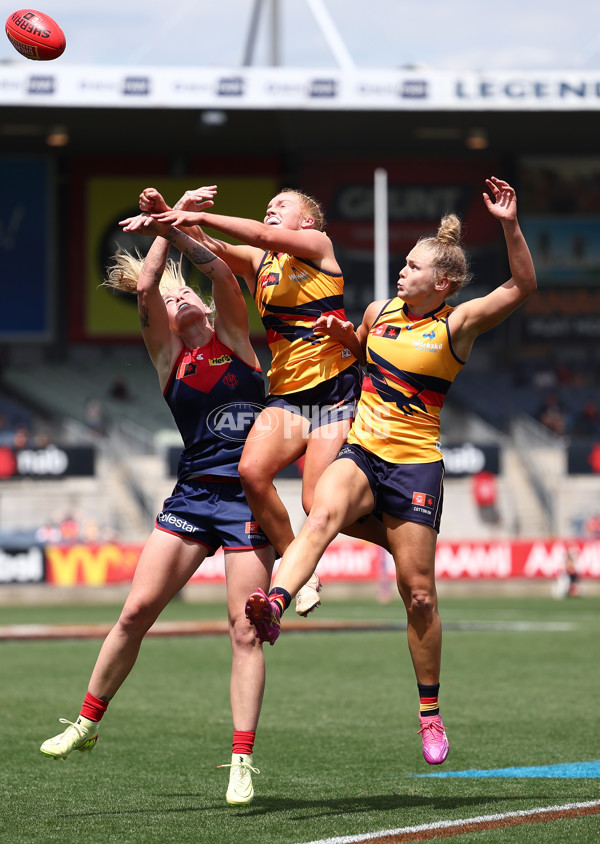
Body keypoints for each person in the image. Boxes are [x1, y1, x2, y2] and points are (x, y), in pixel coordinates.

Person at [243, 177, 537, 767]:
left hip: (415, 467)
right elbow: (360, 355)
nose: (401, 272)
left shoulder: (458, 325)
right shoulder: (380, 312)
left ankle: (430, 712)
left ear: (442, 282)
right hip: (363, 450)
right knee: (320, 511)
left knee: (420, 594)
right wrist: (343, 339)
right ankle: (275, 603)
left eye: (411, 266)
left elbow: (522, 285)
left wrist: (507, 224)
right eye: (402, 264)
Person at [40, 197, 275, 807]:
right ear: (165, 322)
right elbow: (146, 282)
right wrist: (167, 233)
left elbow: (223, 274)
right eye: (172, 302)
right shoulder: (170, 360)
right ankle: (86, 723)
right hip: (194, 496)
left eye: (184, 294)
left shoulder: (233, 339)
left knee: (245, 630)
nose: (181, 299)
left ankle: (241, 760)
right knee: (135, 612)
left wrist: (178, 223)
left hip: (246, 500)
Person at [133, 186, 387, 616]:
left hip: (334, 391)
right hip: (288, 396)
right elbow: (207, 249)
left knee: (315, 502)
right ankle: (298, 567)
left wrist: (199, 219)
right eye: (267, 206)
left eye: (281, 206)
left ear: (307, 221)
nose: (270, 209)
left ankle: (399, 534)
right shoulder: (257, 262)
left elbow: (260, 237)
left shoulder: (318, 247)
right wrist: (169, 216)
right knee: (251, 472)